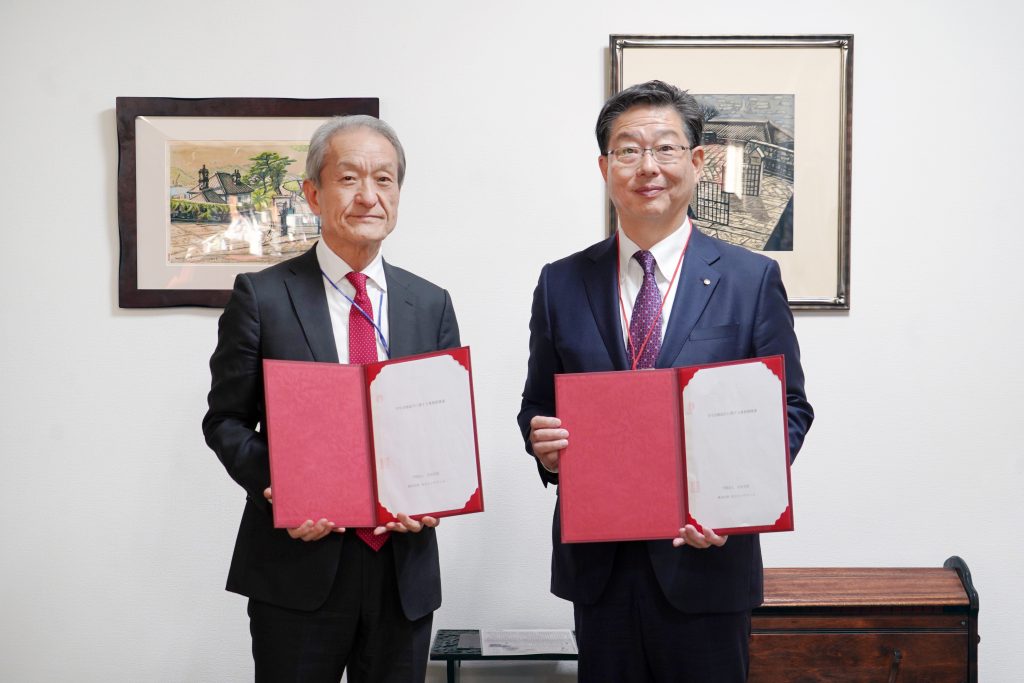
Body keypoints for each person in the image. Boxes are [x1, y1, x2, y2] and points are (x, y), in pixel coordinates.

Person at [517, 80, 814, 682]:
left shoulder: (750, 279)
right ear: (604, 167)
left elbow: (789, 408)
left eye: (666, 148)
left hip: (708, 562)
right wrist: (541, 443)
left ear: (697, 161)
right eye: (628, 150)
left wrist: (734, 503)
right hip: (600, 569)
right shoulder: (560, 283)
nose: (647, 166)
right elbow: (538, 403)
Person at [203, 115, 460, 682]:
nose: (369, 195)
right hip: (298, 568)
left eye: (384, 179)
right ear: (313, 194)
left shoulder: (431, 303)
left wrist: (437, 493)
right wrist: (281, 489)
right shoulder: (263, 296)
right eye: (349, 178)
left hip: (403, 572)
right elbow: (225, 421)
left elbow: (440, 430)